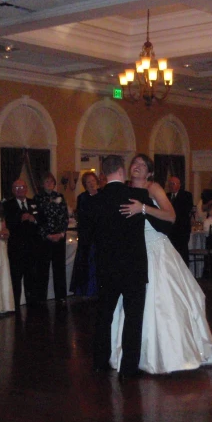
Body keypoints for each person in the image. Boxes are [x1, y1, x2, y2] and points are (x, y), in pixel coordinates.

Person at [111, 154, 212, 375]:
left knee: (162, 301)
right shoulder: (124, 189)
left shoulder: (154, 189)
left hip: (156, 248)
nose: (138, 167)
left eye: (143, 165)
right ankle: (133, 353)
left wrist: (143, 208)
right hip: (133, 251)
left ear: (149, 172)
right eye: (135, 163)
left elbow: (171, 216)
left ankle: (168, 354)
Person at [78, 154, 152, 381]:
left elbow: (86, 237)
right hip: (133, 266)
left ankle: (100, 361)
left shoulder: (94, 201)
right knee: (133, 317)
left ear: (104, 173)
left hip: (106, 267)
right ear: (121, 170)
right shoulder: (137, 196)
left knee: (104, 315)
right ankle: (129, 367)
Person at [2, 179, 39, 311]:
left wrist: (33, 220)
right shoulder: (7, 205)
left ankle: (32, 305)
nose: (20, 190)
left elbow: (41, 221)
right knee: (16, 279)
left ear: (26, 188)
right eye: (16, 188)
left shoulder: (33, 203)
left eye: (22, 187)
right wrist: (20, 219)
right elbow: (7, 224)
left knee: (32, 278)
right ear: (13, 190)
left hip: (32, 248)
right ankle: (16, 306)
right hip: (16, 248)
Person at [34, 172, 68, 303]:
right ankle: (41, 298)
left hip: (59, 237)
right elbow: (38, 219)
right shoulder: (37, 198)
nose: (49, 184)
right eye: (46, 181)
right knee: (43, 269)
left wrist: (61, 233)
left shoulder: (60, 196)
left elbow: (64, 217)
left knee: (59, 268)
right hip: (44, 239)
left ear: (54, 184)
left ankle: (61, 297)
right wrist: (47, 235)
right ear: (42, 184)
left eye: (51, 181)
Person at [70, 172, 99, 296]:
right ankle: (87, 289)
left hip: (100, 235)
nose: (91, 184)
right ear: (85, 185)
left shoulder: (102, 195)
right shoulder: (82, 197)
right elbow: (82, 216)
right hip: (87, 235)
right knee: (87, 261)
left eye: (93, 181)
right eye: (88, 182)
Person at [165, 175, 194, 266]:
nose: (171, 186)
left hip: (182, 229)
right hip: (170, 230)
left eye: (173, 184)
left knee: (182, 252)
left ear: (179, 185)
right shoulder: (166, 196)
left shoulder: (186, 195)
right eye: (170, 184)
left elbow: (185, 211)